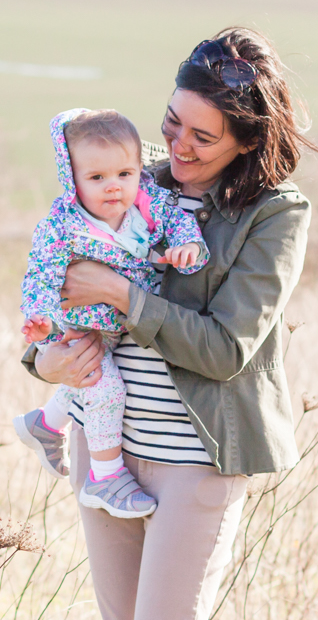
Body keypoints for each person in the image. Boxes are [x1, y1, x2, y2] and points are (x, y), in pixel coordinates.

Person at [24, 27, 318, 620]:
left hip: (203, 460)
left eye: (202, 136)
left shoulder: (275, 216)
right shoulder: (132, 187)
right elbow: (55, 283)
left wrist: (125, 295)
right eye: (171, 124)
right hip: (111, 453)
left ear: (248, 138)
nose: (176, 147)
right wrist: (41, 359)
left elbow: (226, 347)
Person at [14, 108, 208, 519]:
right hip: (78, 324)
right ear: (73, 179)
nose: (114, 187)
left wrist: (186, 247)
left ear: (139, 169)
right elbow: (42, 274)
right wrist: (40, 316)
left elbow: (178, 221)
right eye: (97, 178)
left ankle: (45, 426)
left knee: (88, 379)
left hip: (120, 319)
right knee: (103, 386)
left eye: (124, 174)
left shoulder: (147, 203)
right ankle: (105, 477)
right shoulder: (63, 225)